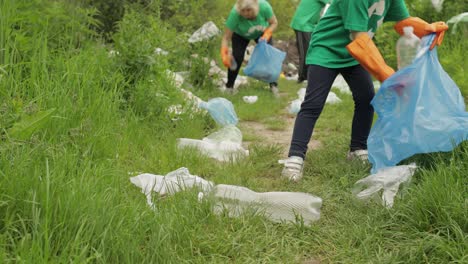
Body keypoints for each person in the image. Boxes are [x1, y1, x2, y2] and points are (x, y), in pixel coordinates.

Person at [280, 0, 448, 181]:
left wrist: (426, 28)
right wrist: (386, 74)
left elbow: (403, 23)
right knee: (313, 104)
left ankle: (357, 149)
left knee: (366, 99)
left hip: (354, 54)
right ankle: (295, 158)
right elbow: (357, 36)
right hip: (326, 50)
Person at [220, 0, 279, 95]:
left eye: (249, 10)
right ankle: (229, 87)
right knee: (237, 57)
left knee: (269, 56)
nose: (246, 13)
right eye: (242, 10)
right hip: (240, 35)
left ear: (256, 7)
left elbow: (274, 23)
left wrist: (267, 34)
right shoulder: (235, 14)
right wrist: (224, 53)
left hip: (262, 33)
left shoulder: (264, 7)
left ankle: (273, 86)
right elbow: (226, 37)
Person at [290, 0, 331, 83]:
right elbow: (336, 2)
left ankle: (307, 77)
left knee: (310, 51)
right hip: (302, 24)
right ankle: (302, 77)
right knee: (305, 52)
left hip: (310, 25)